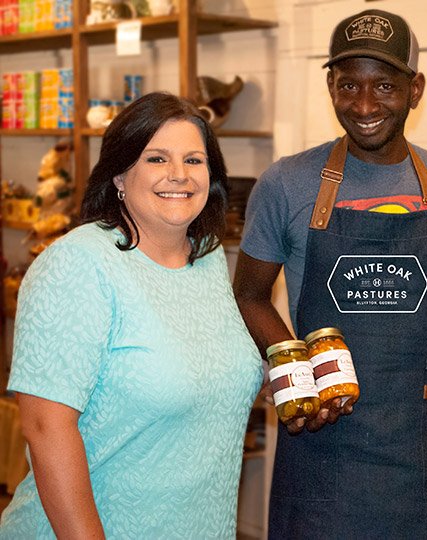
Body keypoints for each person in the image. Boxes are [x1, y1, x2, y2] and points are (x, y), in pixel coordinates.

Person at [233, 8, 427, 538]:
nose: (364, 105)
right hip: (323, 437)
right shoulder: (286, 183)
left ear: (415, 89)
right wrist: (294, 375)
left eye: (385, 86)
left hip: (420, 444)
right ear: (330, 84)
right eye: (348, 85)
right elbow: (250, 294)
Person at [0, 92, 263, 538]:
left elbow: (205, 370)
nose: (179, 175)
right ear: (120, 174)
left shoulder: (208, 258)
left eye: (194, 160)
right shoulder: (78, 264)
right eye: (156, 158)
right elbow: (46, 428)